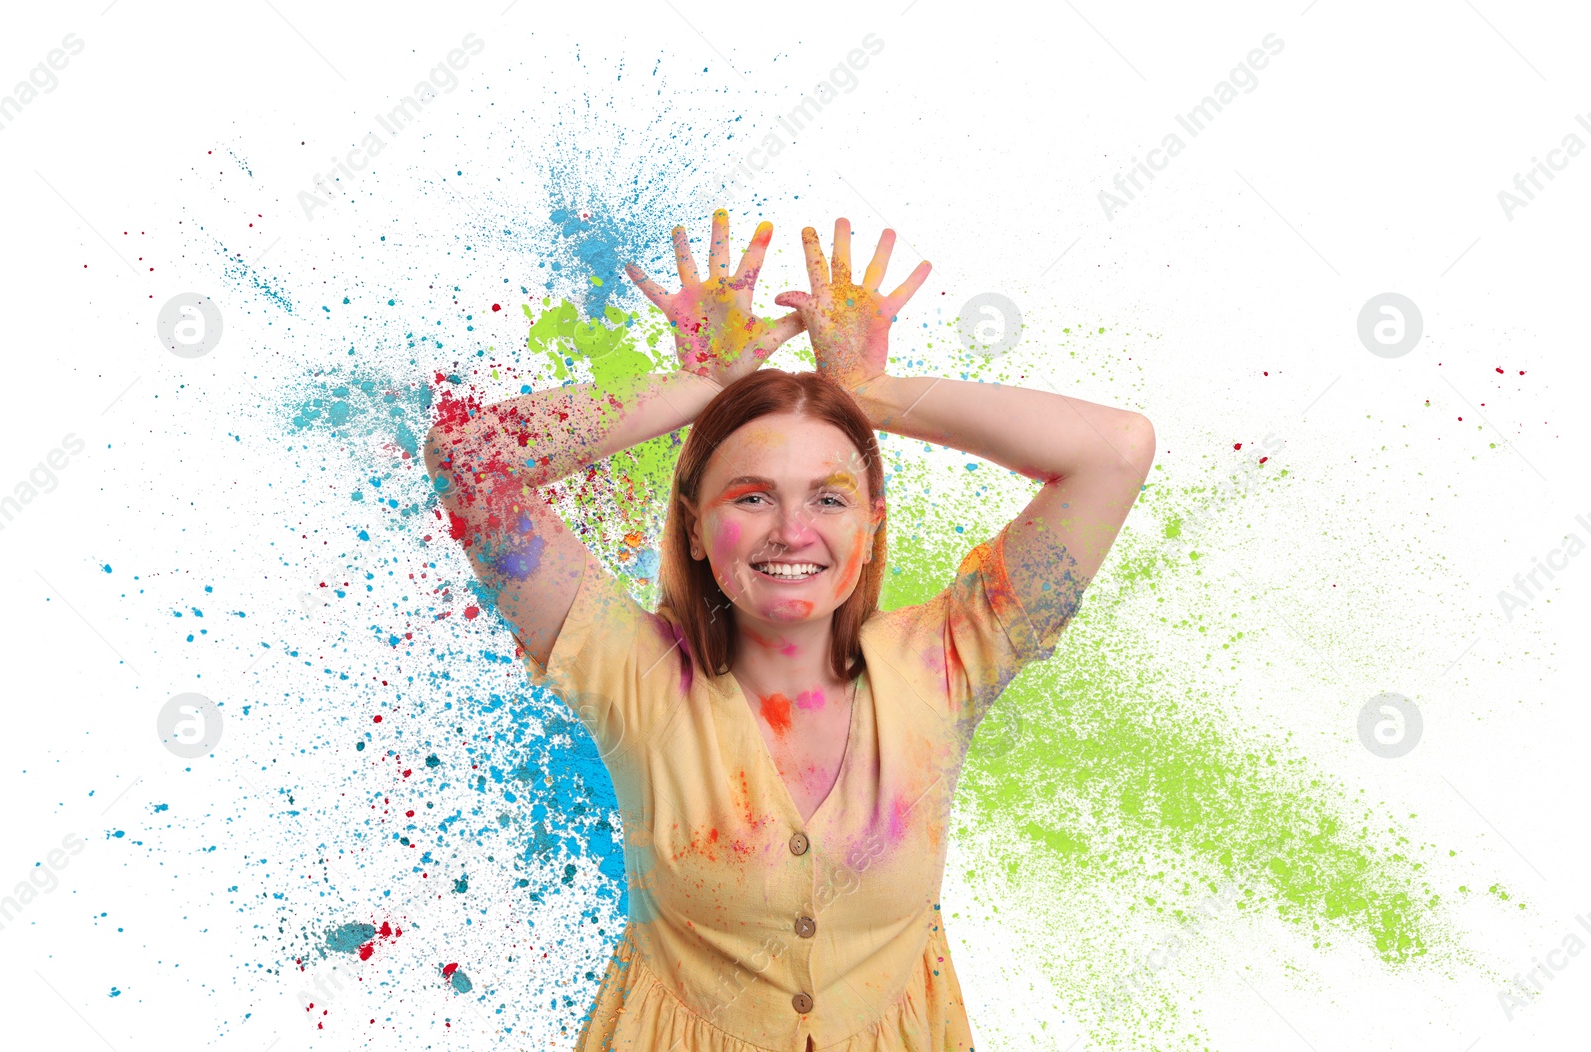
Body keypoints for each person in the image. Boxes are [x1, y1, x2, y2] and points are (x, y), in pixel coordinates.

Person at [424, 210, 1155, 1051]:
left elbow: (1117, 450)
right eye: (751, 496)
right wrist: (703, 386)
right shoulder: (632, 672)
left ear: (872, 526)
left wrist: (868, 396)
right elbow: (470, 459)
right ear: (696, 528)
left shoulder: (948, 660)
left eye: (829, 498)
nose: (791, 530)